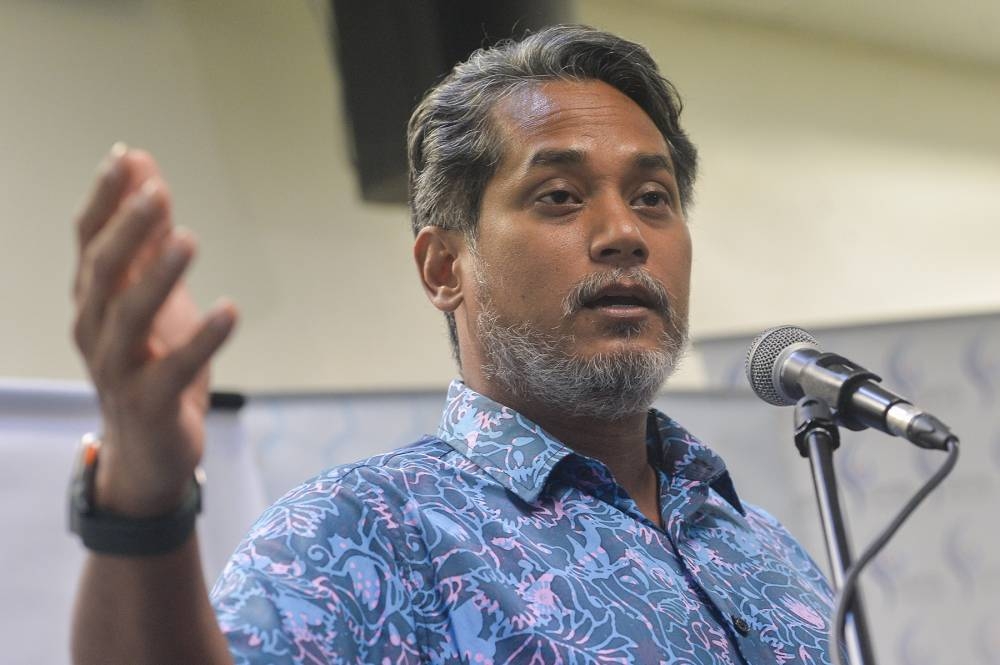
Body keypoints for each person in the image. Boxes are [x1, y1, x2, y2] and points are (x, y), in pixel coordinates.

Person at [69, 25, 835, 664]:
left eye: (653, 198)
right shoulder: (366, 530)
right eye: (560, 197)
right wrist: (142, 493)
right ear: (445, 266)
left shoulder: (762, 545)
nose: (625, 234)